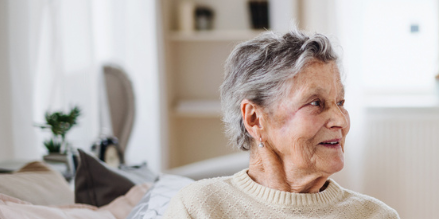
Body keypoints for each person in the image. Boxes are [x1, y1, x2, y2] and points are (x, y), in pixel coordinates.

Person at [164, 31, 399, 219]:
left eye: (340, 102)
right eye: (316, 103)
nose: (341, 120)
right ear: (255, 119)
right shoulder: (200, 208)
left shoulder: (376, 215)